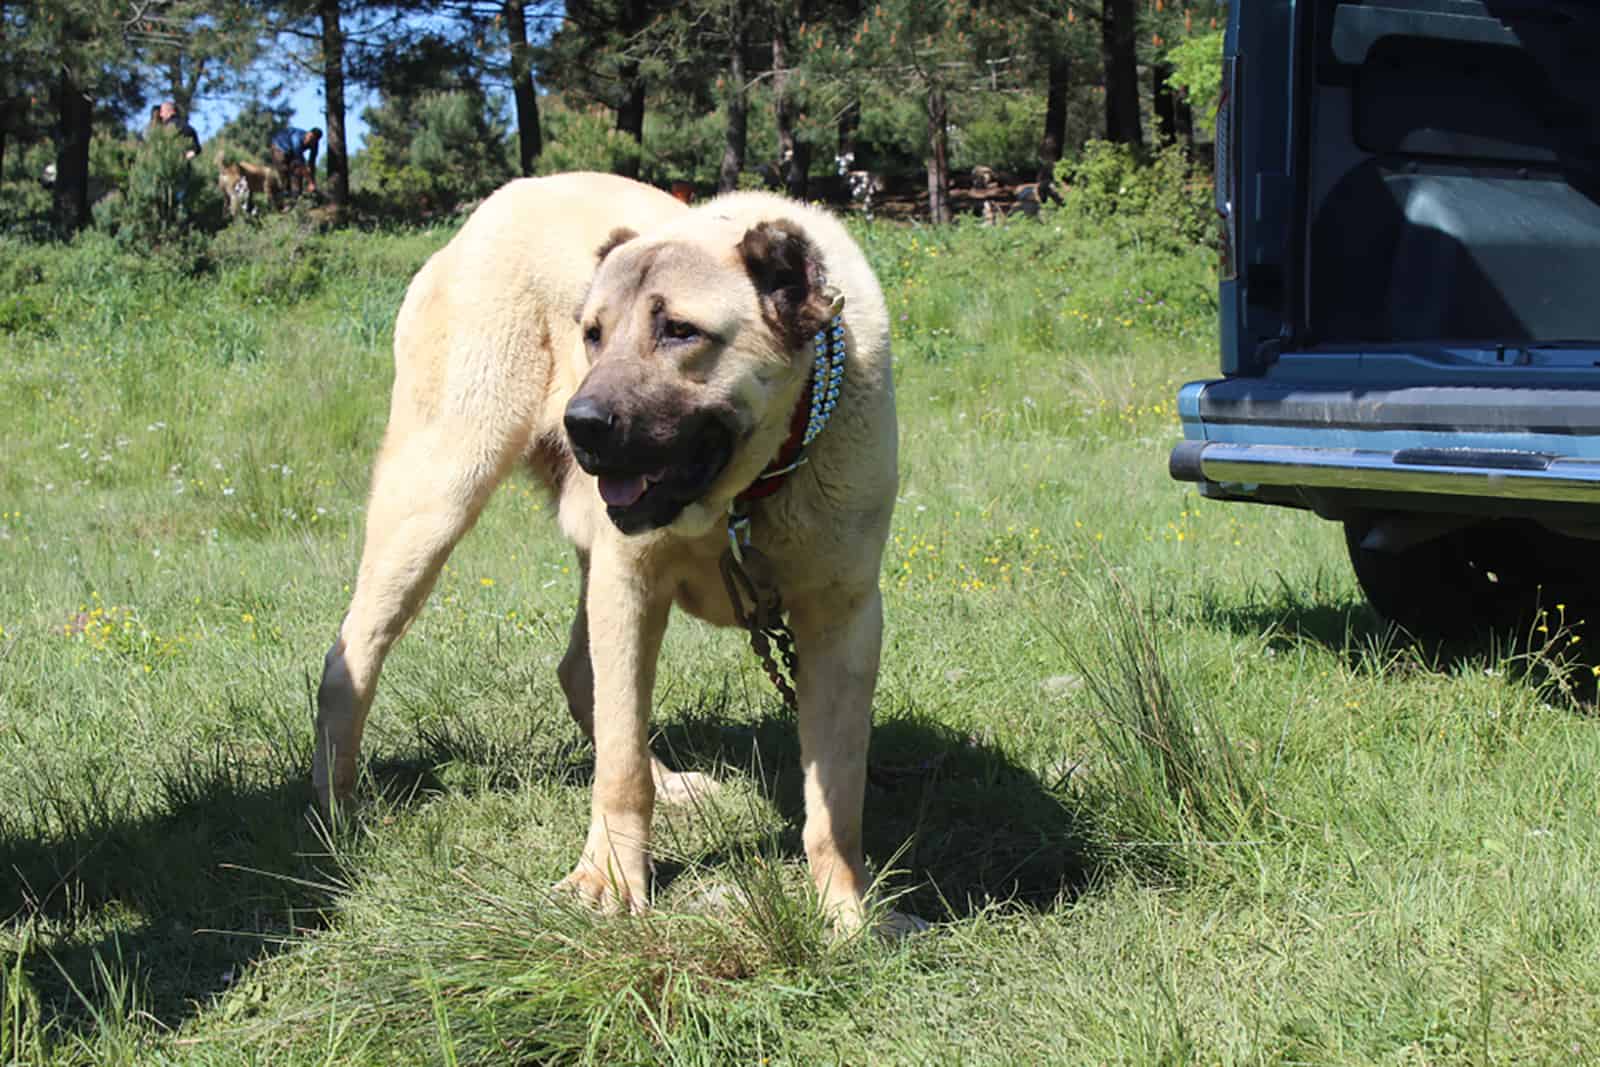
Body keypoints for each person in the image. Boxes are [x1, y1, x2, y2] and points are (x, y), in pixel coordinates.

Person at [270, 126, 322, 198]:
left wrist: (312, 181)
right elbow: (301, 162)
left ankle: (296, 196)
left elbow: (311, 163)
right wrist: (310, 182)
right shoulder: (297, 138)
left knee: (298, 172)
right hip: (279, 147)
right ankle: (284, 195)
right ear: (308, 134)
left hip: (293, 152)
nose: (309, 141)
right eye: (310, 137)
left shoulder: (315, 145)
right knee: (284, 170)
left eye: (313, 141)